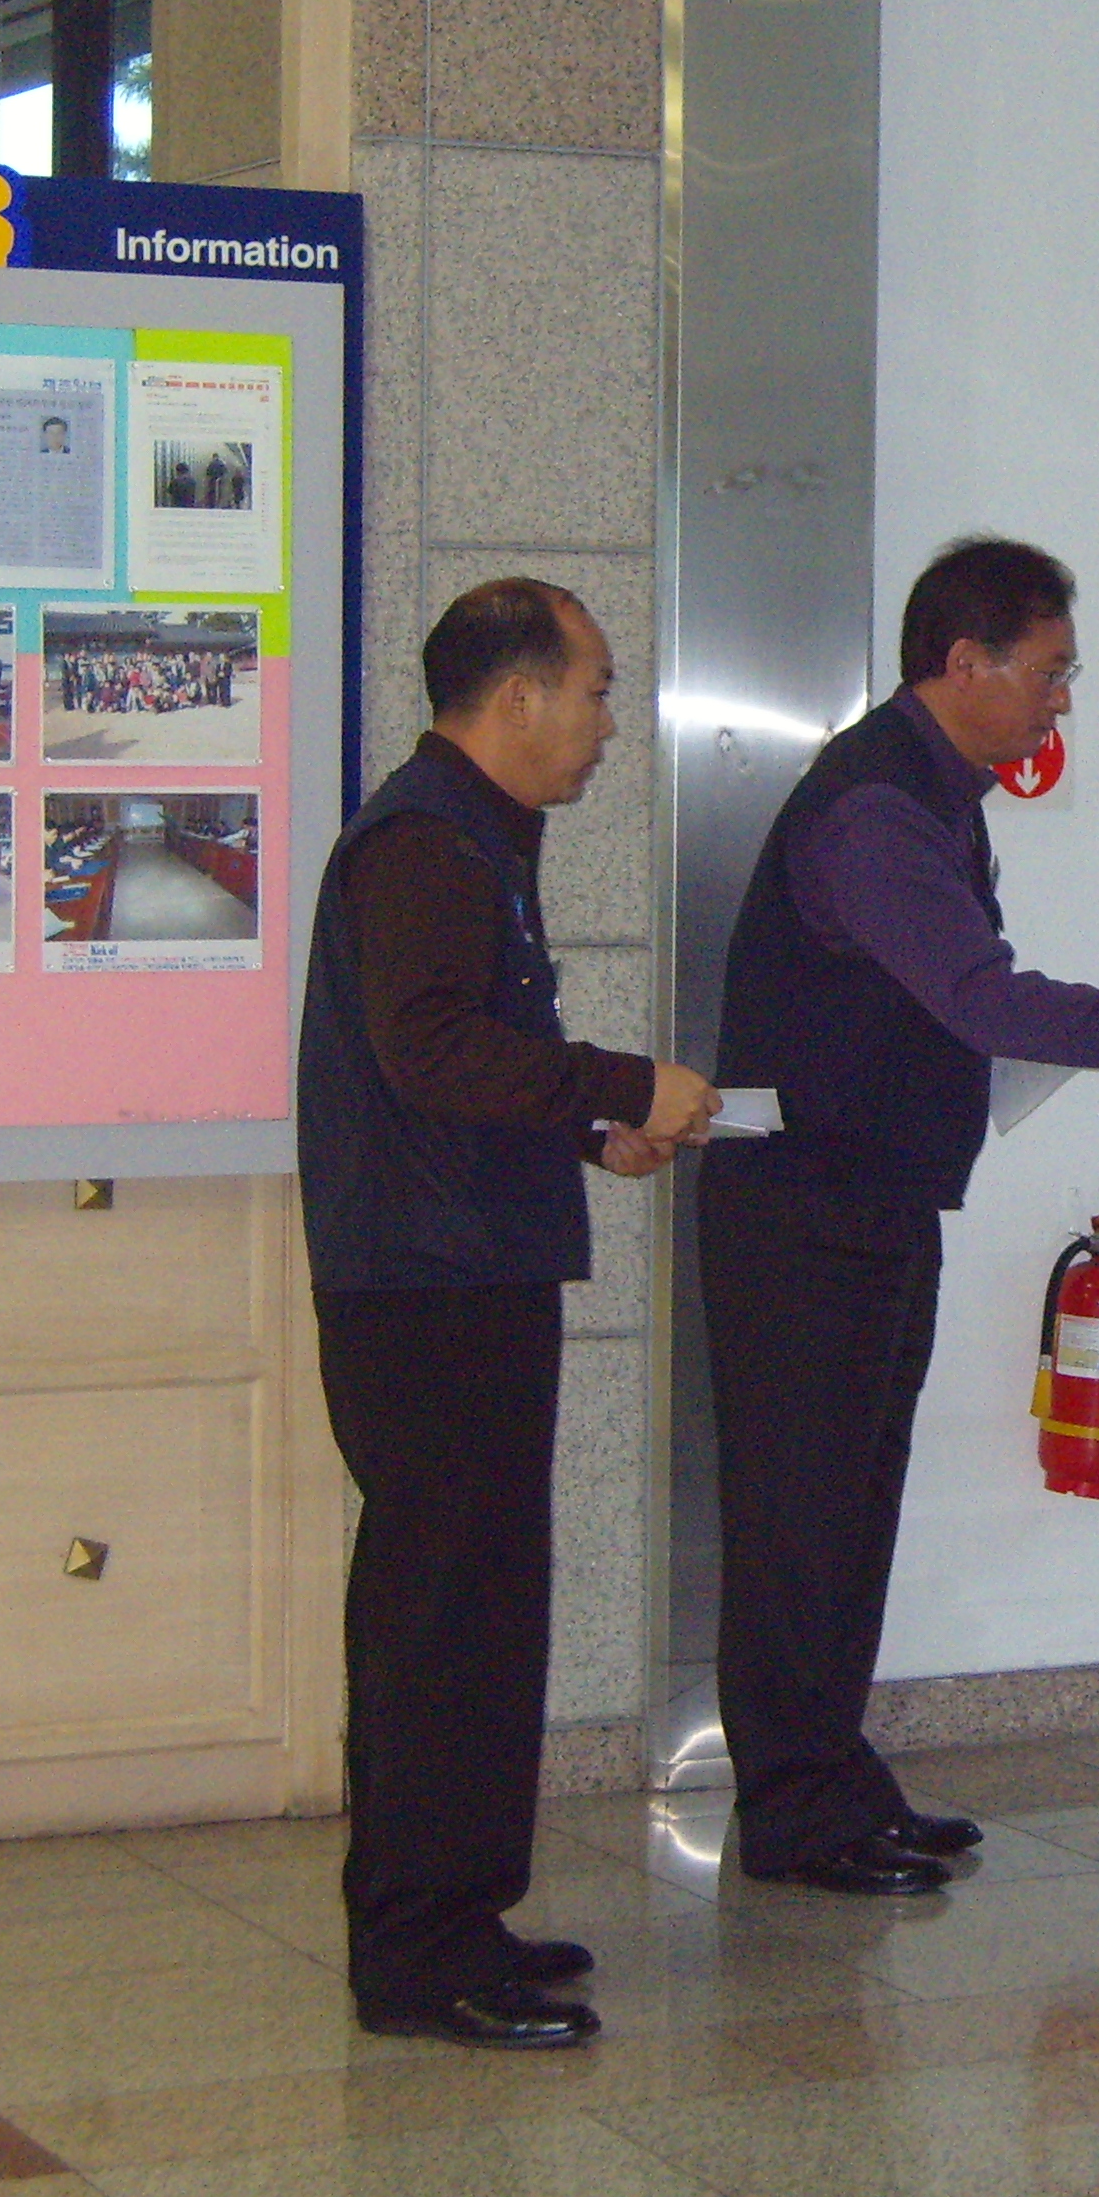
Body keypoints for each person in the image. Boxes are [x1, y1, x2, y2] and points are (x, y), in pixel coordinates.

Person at [698, 536, 1099, 1896]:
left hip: (873, 1200)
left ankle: (833, 1779)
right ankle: (794, 1814)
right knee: (801, 1522)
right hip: (804, 1214)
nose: (1062, 701)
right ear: (964, 662)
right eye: (1049, 672)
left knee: (851, 1513)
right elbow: (988, 1000)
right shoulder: (876, 812)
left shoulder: (935, 796)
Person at [298, 577, 724, 2048]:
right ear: (518, 695)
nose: (608, 722)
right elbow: (426, 1046)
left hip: (467, 1266)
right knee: (438, 1619)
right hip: (424, 1288)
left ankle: (463, 1914)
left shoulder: (473, 832)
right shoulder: (425, 839)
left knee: (482, 1611)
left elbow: (476, 1062)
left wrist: (593, 1131)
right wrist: (621, 1082)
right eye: (595, 690)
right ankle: (416, 1955)